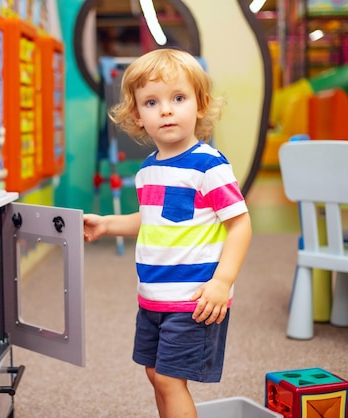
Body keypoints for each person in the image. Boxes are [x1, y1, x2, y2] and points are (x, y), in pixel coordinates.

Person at [83, 48, 252, 418]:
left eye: (178, 98)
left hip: (194, 299)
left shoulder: (209, 166)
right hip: (153, 296)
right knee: (154, 372)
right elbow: (151, 219)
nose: (166, 110)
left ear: (201, 105)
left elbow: (240, 223)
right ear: (136, 116)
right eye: (151, 102)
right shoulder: (148, 169)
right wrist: (108, 223)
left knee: (169, 380)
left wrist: (222, 282)